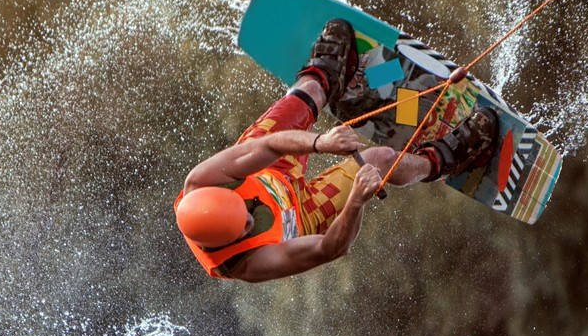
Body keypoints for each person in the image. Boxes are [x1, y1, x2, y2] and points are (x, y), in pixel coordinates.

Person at [174, 19, 498, 282]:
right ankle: (446, 159)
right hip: (303, 213)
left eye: (243, 209)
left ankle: (329, 79)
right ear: (225, 242)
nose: (250, 218)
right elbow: (329, 249)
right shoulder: (249, 264)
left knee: (308, 94)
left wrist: (321, 143)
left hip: (269, 169)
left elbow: (269, 145)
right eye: (245, 226)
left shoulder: (203, 180)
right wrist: (356, 200)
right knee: (380, 160)